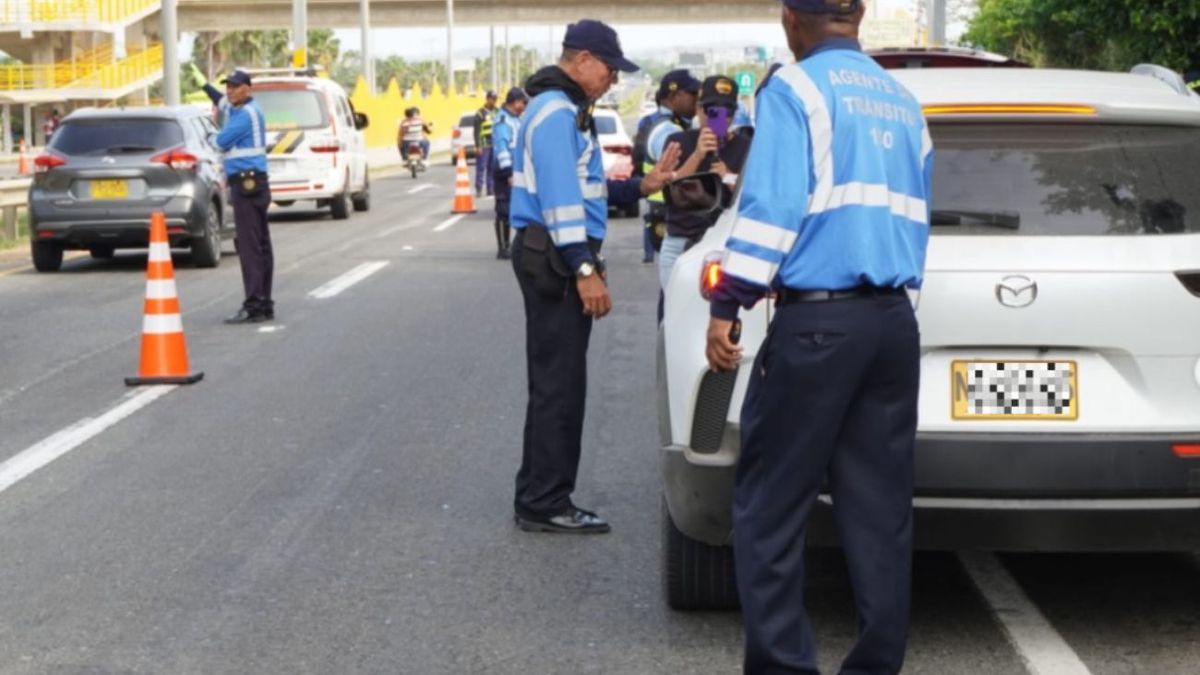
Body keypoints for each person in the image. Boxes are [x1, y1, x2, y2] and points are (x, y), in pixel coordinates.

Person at [704, 1, 933, 673]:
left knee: (771, 504)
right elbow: (916, 217)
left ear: (789, 20)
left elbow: (772, 209)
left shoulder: (795, 88)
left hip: (818, 325)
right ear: (859, 15)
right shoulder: (903, 102)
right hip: (891, 323)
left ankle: (783, 665)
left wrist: (729, 301)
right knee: (880, 511)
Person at [509, 18, 681, 534]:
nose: (612, 80)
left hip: (550, 252)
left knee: (554, 383)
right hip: (556, 256)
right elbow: (562, 202)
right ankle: (545, 501)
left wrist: (643, 185)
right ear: (582, 60)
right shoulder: (556, 112)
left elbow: (587, 190)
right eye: (609, 69)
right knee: (560, 387)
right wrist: (584, 268)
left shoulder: (561, 108)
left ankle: (537, 494)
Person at [658, 75, 754, 295]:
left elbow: (752, 197)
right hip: (681, 241)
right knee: (674, 308)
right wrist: (698, 155)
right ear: (699, 110)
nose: (720, 118)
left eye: (727, 112)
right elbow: (671, 190)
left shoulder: (746, 147)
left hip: (724, 243)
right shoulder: (678, 142)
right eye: (712, 111)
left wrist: (728, 176)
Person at [214, 70, 275, 325]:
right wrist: (207, 88)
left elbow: (220, 141)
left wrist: (210, 136)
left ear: (248, 89)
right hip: (254, 182)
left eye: (235, 86)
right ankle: (264, 303)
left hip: (247, 185)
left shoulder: (245, 114)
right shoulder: (240, 108)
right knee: (260, 245)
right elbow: (220, 101)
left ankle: (254, 305)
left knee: (250, 248)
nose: (230, 90)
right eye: (228, 86)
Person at [640, 70, 700, 269]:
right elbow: (685, 175)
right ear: (674, 97)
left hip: (673, 214)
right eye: (693, 94)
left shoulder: (678, 125)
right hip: (669, 216)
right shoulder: (668, 131)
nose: (697, 99)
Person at [490, 87, 529, 259]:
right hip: (505, 170)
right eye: (523, 103)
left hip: (516, 168)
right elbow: (502, 148)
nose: (525, 106)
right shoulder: (503, 121)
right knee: (503, 208)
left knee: (516, 207)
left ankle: (511, 245)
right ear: (515, 102)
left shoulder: (515, 119)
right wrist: (508, 173)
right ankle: (503, 247)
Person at [474, 91, 498, 197]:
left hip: (494, 144)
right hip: (484, 144)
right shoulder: (480, 113)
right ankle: (479, 188)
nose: (494, 101)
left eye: (495, 99)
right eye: (493, 99)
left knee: (492, 167)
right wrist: (478, 145)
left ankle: (490, 188)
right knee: (481, 167)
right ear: (487, 99)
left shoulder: (498, 112)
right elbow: (476, 131)